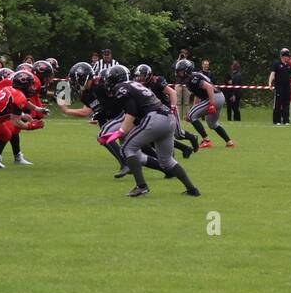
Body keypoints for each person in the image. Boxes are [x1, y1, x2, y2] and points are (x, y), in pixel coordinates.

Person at [98, 67, 201, 198]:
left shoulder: (120, 88)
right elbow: (135, 118)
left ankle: (141, 186)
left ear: (113, 79)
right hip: (168, 118)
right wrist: (117, 133)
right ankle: (192, 189)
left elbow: (131, 112)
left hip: (155, 118)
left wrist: (119, 132)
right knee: (167, 161)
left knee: (126, 148)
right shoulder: (134, 85)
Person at [176, 58, 234, 148]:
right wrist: (193, 110)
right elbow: (197, 95)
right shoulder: (192, 77)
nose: (179, 73)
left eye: (180, 71)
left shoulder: (192, 78)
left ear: (187, 70)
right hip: (219, 96)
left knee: (191, 116)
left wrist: (211, 104)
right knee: (212, 123)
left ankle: (206, 140)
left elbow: (209, 87)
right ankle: (229, 142)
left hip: (214, 97)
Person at [268, 48, 291, 125]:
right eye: (288, 56)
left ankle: (286, 120)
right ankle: (277, 120)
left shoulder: (289, 65)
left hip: (287, 87)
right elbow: (272, 74)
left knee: (286, 104)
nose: (289, 58)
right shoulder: (276, 64)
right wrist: (270, 83)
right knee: (278, 104)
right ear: (283, 56)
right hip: (279, 87)